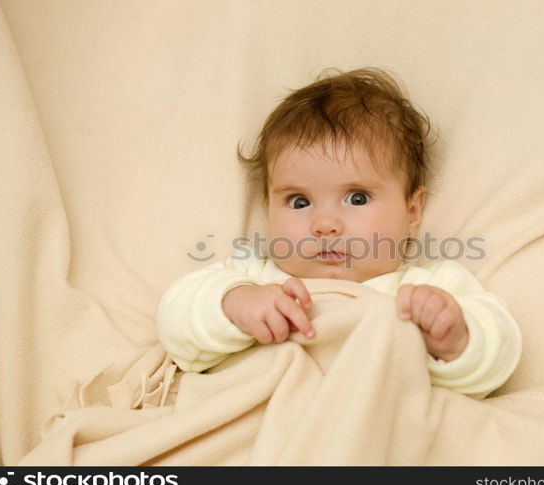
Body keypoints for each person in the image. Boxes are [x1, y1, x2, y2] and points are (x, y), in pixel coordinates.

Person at [157, 68, 521, 398]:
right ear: (268, 207)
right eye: (299, 202)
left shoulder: (428, 291)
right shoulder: (254, 278)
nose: (325, 224)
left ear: (412, 211)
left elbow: (499, 355)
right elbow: (177, 325)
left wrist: (455, 339)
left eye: (357, 197)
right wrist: (235, 304)